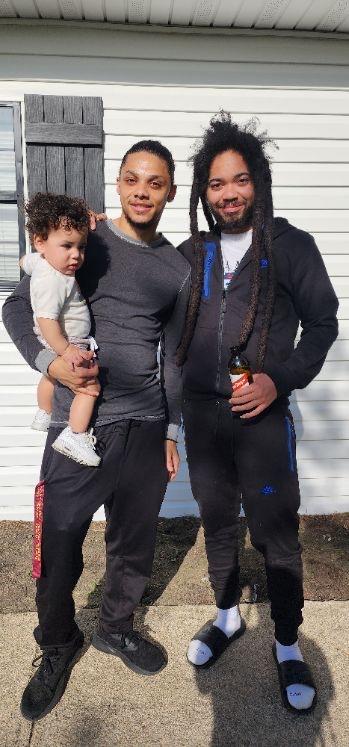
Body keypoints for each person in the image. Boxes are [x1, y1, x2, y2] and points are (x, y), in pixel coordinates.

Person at [2, 140, 191, 721]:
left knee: (134, 542)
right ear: (117, 183)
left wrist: (171, 430)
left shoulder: (179, 269)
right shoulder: (86, 239)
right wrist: (50, 363)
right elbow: (16, 307)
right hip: (78, 426)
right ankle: (58, 644)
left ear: (169, 193)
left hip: (145, 422)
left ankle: (114, 626)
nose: (141, 190)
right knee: (58, 543)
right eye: (131, 178)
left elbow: (175, 354)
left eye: (154, 182)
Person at [176, 112, 338, 713]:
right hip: (202, 418)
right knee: (217, 522)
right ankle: (226, 617)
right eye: (216, 185)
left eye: (239, 180)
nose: (228, 194)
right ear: (203, 193)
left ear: (259, 182)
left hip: (262, 418)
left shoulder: (292, 245)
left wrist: (280, 380)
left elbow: (323, 324)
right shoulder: (194, 252)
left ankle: (288, 642)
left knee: (275, 532)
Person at [21, 193, 101, 467]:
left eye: (81, 247)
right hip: (69, 341)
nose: (76, 255)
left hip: (55, 341)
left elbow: (25, 262)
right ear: (41, 241)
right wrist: (66, 351)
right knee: (89, 387)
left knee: (51, 377)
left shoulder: (41, 262)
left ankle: (44, 412)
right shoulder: (57, 280)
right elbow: (46, 319)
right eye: (67, 246)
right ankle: (75, 435)